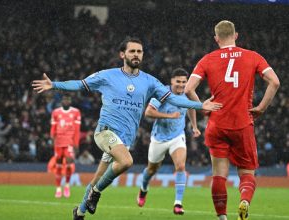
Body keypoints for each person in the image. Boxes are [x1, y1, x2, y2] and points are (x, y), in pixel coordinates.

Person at [32, 36, 222, 219]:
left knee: (97, 178)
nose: (136, 54)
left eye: (139, 51)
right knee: (126, 161)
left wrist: (200, 105)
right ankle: (96, 194)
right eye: (132, 51)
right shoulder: (108, 76)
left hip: (124, 139)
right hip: (105, 132)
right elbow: (80, 85)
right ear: (122, 54)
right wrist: (54, 85)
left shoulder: (149, 81)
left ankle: (79, 213)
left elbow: (173, 98)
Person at [185, 20, 280, 220]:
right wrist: (261, 107)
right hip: (242, 124)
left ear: (216, 38)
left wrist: (203, 105)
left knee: (219, 173)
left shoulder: (207, 59)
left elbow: (187, 89)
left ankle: (222, 217)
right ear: (236, 35)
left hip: (217, 123)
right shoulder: (253, 56)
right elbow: (275, 82)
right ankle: (244, 201)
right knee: (247, 172)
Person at [136, 68, 201, 215]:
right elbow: (148, 112)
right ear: (171, 81)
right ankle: (143, 189)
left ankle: (178, 203)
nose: (181, 85)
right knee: (152, 169)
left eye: (184, 82)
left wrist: (195, 126)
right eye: (178, 81)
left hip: (177, 136)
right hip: (159, 138)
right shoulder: (162, 93)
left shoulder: (188, 93)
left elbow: (191, 107)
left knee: (180, 166)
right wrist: (170, 116)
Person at [50, 94, 81, 198]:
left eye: (68, 99)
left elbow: (77, 130)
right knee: (58, 165)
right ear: (62, 101)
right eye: (64, 99)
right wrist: (52, 139)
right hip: (58, 142)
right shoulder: (56, 112)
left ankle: (67, 185)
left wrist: (76, 144)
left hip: (69, 142)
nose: (66, 101)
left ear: (70, 101)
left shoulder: (76, 112)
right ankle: (58, 188)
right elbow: (53, 128)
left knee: (68, 164)